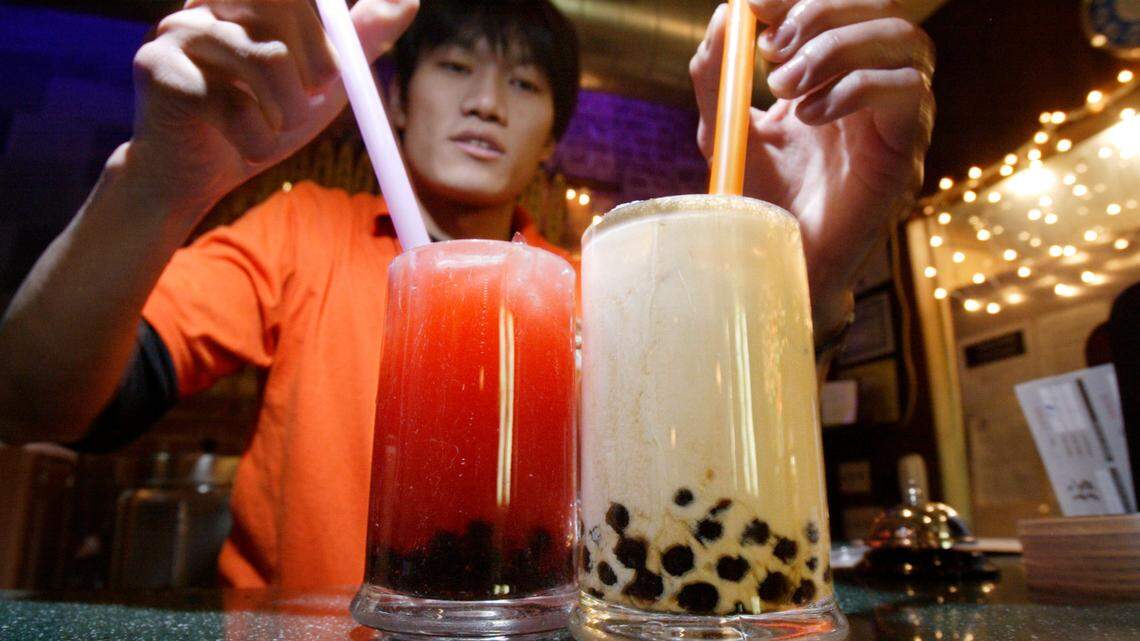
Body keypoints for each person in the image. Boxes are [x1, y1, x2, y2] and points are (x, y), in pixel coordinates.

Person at [0, 0, 934, 587]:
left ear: (551, 138)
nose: (488, 101)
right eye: (455, 68)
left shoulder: (595, 287)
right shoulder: (303, 228)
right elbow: (35, 399)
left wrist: (801, 276)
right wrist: (158, 183)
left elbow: (711, 508)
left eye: (522, 83)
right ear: (396, 101)